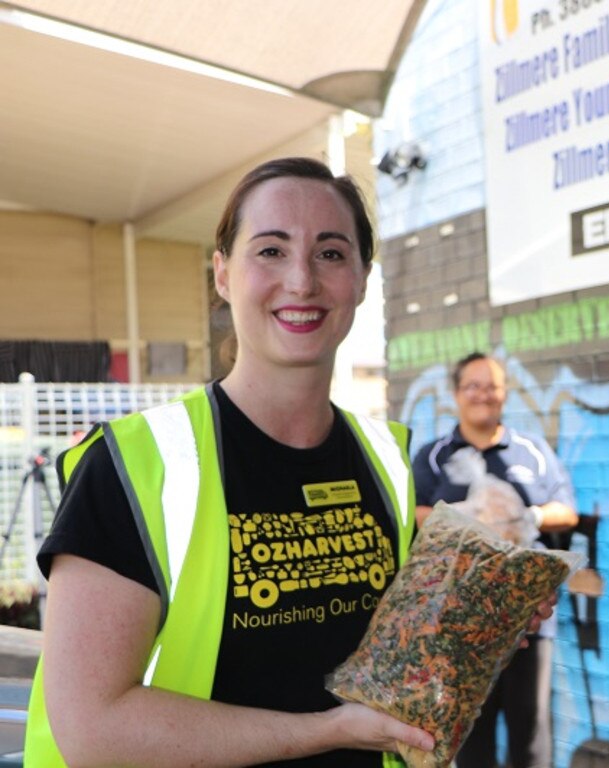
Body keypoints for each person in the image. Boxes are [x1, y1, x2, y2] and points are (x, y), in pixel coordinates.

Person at [24, 157, 551, 767]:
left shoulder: (386, 461)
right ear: (222, 273)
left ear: (360, 278)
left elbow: (387, 659)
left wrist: (488, 609)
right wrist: (325, 731)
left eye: (330, 253)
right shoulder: (135, 464)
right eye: (270, 251)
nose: (301, 281)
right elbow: (92, 728)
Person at [413, 352, 578, 768]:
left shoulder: (532, 451)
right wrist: (472, 516)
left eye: (492, 386)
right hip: (462, 619)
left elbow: (567, 510)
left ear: (505, 394)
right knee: (471, 735)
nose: (483, 395)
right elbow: (413, 514)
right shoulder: (434, 456)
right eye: (473, 386)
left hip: (529, 615)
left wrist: (527, 516)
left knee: (530, 731)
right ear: (455, 395)